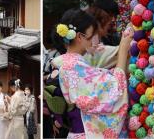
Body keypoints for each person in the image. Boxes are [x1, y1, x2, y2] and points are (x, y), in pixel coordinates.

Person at [51, 9, 130, 138]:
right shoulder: (73, 66)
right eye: (92, 34)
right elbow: (112, 90)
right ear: (79, 37)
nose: (94, 39)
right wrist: (123, 51)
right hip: (84, 132)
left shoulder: (67, 62)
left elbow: (98, 78)